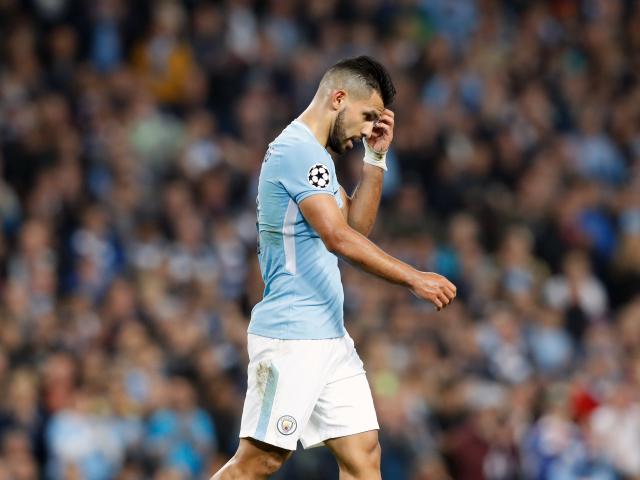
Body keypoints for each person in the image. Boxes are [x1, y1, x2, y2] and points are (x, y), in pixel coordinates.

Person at [211, 56, 457, 480]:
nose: (367, 129)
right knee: (258, 462)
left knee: (364, 455)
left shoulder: (315, 158)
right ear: (338, 98)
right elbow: (338, 239)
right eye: (366, 118)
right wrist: (413, 277)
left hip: (329, 335)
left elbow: (353, 228)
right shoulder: (296, 152)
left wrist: (375, 159)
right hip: (292, 334)